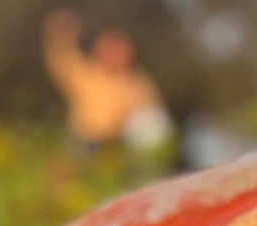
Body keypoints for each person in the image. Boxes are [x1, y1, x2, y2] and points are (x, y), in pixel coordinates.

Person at [42, 8, 174, 155]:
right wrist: (60, 33)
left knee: (150, 123)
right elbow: (60, 59)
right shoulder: (85, 73)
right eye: (110, 48)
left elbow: (150, 115)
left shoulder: (136, 81)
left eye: (120, 49)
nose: (116, 54)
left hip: (118, 144)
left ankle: (153, 163)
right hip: (86, 141)